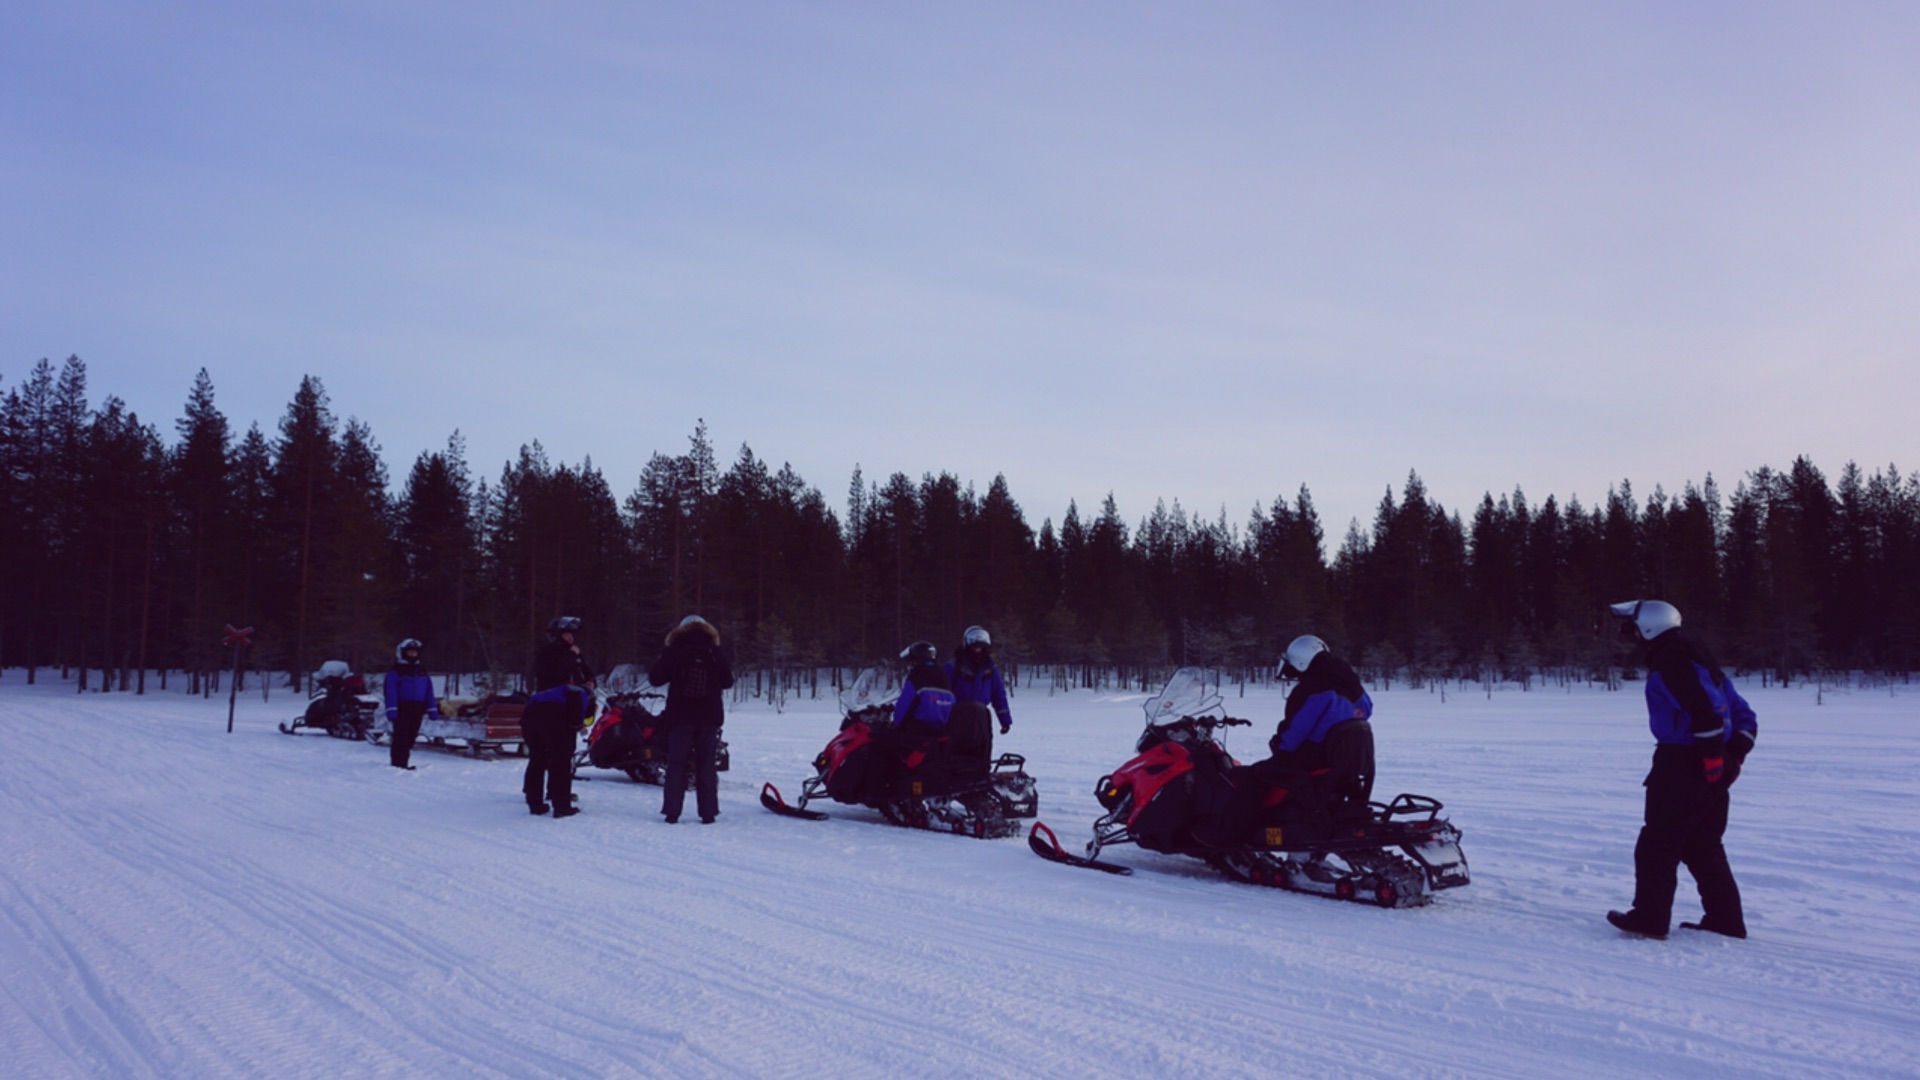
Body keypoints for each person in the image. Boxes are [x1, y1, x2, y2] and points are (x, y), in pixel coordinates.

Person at [1606, 600, 1757, 940]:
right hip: (1710, 765)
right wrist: (1733, 759)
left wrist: (1714, 761)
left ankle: (1649, 918)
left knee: (1657, 845)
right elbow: (1745, 717)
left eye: (1632, 629)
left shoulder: (1671, 662)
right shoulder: (1700, 659)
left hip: (1682, 764)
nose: (1629, 637)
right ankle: (1725, 920)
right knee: (1703, 845)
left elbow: (1706, 714)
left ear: (1649, 628)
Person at [1201, 635, 1374, 847]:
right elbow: (1366, 711)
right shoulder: (1351, 685)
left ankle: (1227, 835)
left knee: (1255, 777)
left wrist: (1278, 744)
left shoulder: (1311, 689)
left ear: (1301, 660)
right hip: (1347, 764)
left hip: (1314, 760)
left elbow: (1293, 734)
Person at [649, 615, 735, 824]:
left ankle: (672, 812)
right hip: (709, 717)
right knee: (706, 765)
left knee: (676, 764)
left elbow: (655, 679)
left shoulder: (674, 649)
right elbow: (728, 682)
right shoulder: (714, 651)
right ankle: (708, 813)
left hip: (680, 717)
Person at [524, 616, 594, 817]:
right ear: (556, 636)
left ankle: (538, 800)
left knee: (543, 756)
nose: (571, 638)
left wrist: (588, 679)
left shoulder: (572, 655)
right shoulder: (551, 653)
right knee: (559, 757)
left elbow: (587, 675)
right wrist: (574, 660)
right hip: (553, 711)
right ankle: (560, 804)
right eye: (566, 634)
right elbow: (555, 673)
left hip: (548, 710)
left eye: (572, 635)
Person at [946, 625, 1012, 773]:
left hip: (981, 715)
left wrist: (1005, 719)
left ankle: (981, 775)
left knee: (983, 747)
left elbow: (998, 694)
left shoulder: (990, 667)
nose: (978, 648)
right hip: (958, 715)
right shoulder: (954, 665)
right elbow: (944, 691)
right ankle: (956, 774)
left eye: (981, 646)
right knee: (959, 749)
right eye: (974, 645)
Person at [383, 639, 441, 770]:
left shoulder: (421, 671)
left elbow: (429, 690)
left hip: (418, 708)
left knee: (411, 736)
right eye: (410, 652)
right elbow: (390, 691)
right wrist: (392, 710)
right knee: (401, 737)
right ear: (403, 653)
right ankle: (399, 763)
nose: (413, 654)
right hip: (402, 708)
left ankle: (402, 761)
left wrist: (432, 709)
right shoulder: (396, 672)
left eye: (415, 652)